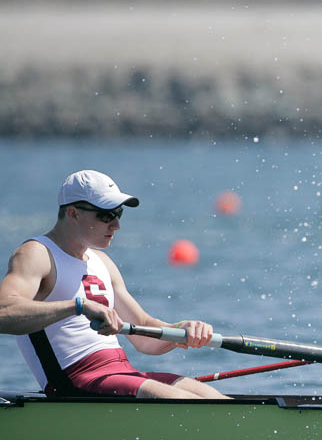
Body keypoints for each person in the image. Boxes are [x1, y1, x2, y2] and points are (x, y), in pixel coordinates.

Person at [0, 170, 229, 399]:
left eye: (119, 213)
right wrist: (78, 306)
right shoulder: (37, 254)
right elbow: (4, 312)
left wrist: (182, 329)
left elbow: (143, 334)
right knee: (182, 400)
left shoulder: (102, 263)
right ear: (73, 214)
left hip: (121, 373)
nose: (117, 224)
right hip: (74, 381)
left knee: (215, 400)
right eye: (106, 215)